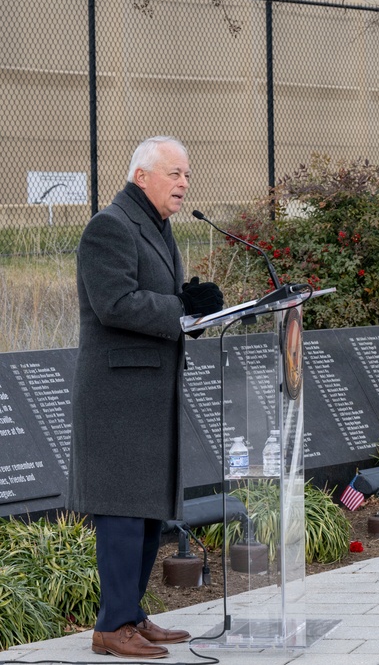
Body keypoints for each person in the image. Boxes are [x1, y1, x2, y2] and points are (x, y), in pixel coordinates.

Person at [69, 136, 224, 659]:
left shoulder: (156, 227)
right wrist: (182, 308)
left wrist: (195, 313)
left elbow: (158, 304)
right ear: (142, 176)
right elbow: (114, 303)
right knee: (122, 511)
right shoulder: (109, 227)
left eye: (187, 174)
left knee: (148, 511)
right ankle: (111, 627)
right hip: (118, 400)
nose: (184, 183)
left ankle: (130, 614)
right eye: (174, 173)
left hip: (150, 394)